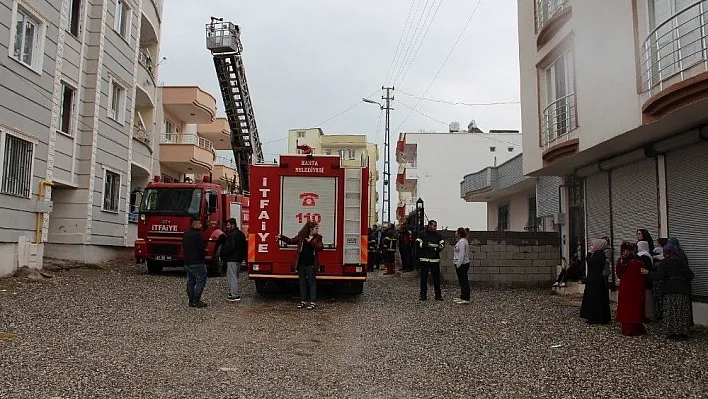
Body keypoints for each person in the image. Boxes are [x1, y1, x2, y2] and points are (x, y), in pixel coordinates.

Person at [642, 244, 694, 340]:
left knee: (671, 312)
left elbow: (658, 276)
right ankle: (683, 332)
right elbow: (690, 275)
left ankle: (672, 332)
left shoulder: (665, 263)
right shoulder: (681, 262)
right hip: (682, 290)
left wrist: (648, 273)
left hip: (669, 290)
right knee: (681, 312)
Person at [279, 221, 324, 310]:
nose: (317, 230)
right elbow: (291, 241)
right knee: (302, 283)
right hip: (301, 264)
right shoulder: (302, 236)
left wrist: (311, 242)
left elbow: (320, 248)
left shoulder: (318, 238)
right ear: (311, 229)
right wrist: (281, 237)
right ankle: (303, 301)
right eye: (316, 228)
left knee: (312, 283)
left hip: (311, 264)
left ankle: (313, 302)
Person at [616, 241, 646, 336]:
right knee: (636, 307)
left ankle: (628, 329)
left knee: (626, 308)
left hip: (626, 287)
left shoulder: (621, 261)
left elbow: (619, 274)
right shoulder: (639, 261)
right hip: (638, 286)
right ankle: (637, 327)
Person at [579, 239, 611, 324]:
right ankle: (594, 316)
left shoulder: (599, 254)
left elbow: (590, 262)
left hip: (595, 279)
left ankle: (596, 317)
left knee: (595, 297)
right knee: (594, 297)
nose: (591, 246)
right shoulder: (599, 254)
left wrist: (589, 253)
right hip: (594, 278)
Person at [667, 237, 694, 327]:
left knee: (681, 308)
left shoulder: (679, 256)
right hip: (683, 285)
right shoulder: (681, 254)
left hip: (681, 285)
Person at [416, 220, 445, 301]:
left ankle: (438, 295)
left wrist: (438, 248)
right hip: (424, 260)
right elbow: (418, 244)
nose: (435, 227)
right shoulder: (422, 234)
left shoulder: (438, 235)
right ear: (429, 225)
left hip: (434, 260)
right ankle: (423, 295)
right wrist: (425, 245)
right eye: (434, 225)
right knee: (423, 279)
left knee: (436, 279)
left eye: (436, 226)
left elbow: (442, 244)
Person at [183, 217, 208, 308]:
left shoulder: (186, 234)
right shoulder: (197, 235)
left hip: (187, 262)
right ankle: (196, 300)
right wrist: (204, 254)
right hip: (197, 262)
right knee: (201, 280)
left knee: (190, 281)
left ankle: (191, 300)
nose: (201, 225)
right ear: (194, 224)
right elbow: (201, 249)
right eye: (199, 224)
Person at [222, 218, 247, 302]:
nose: (227, 227)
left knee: (232, 277)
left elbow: (231, 246)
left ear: (233, 225)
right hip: (239, 259)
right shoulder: (241, 234)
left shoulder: (232, 235)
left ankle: (234, 295)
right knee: (235, 276)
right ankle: (233, 293)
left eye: (228, 225)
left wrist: (224, 252)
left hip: (232, 258)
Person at [637, 240, 656, 321]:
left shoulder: (639, 256)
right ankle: (647, 314)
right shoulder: (647, 255)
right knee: (647, 298)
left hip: (641, 280)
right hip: (647, 280)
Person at [453, 227, 470, 304]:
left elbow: (461, 254)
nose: (455, 232)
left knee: (464, 281)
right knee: (462, 281)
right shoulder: (460, 241)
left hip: (462, 264)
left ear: (459, 233)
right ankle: (462, 297)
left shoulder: (462, 241)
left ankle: (466, 298)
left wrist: (458, 264)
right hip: (461, 264)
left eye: (456, 231)